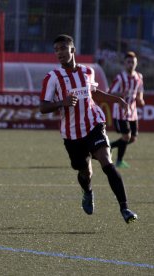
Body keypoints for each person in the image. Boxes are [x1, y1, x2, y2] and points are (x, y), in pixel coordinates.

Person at [39, 34, 138, 223]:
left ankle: (125, 208)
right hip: (72, 134)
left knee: (107, 163)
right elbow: (43, 107)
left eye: (63, 48)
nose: (59, 53)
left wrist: (116, 99)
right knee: (85, 172)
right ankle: (87, 191)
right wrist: (62, 102)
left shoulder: (88, 71)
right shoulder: (52, 77)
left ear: (72, 50)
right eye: (56, 50)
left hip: (94, 124)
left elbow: (93, 94)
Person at [108, 51, 145, 168]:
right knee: (126, 136)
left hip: (132, 113)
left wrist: (141, 100)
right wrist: (121, 93)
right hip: (120, 112)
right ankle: (119, 161)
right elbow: (110, 92)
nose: (131, 64)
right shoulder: (120, 78)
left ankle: (110, 146)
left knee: (133, 138)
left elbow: (139, 92)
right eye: (128, 62)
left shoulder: (139, 77)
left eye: (133, 62)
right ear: (125, 63)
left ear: (136, 63)